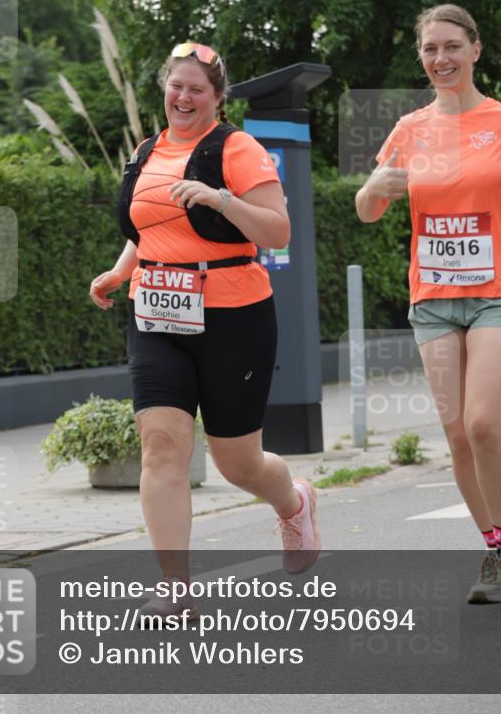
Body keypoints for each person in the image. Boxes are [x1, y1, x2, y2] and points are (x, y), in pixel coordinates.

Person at [90, 42, 321, 619]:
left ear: (218, 98)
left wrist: (221, 199)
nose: (184, 97)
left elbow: (277, 232)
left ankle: (293, 503)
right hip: (156, 315)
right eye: (177, 85)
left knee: (237, 463)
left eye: (197, 89)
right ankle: (176, 586)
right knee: (161, 447)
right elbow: (149, 228)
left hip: (233, 317)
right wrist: (121, 271)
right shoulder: (146, 151)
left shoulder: (237, 149)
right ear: (164, 89)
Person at [355, 4, 501, 611]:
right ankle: (497, 553)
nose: (441, 58)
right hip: (433, 299)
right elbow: (367, 209)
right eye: (431, 49)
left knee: (483, 422)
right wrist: (372, 188)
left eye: (452, 46)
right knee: (457, 435)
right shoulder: (409, 129)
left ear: (475, 50)